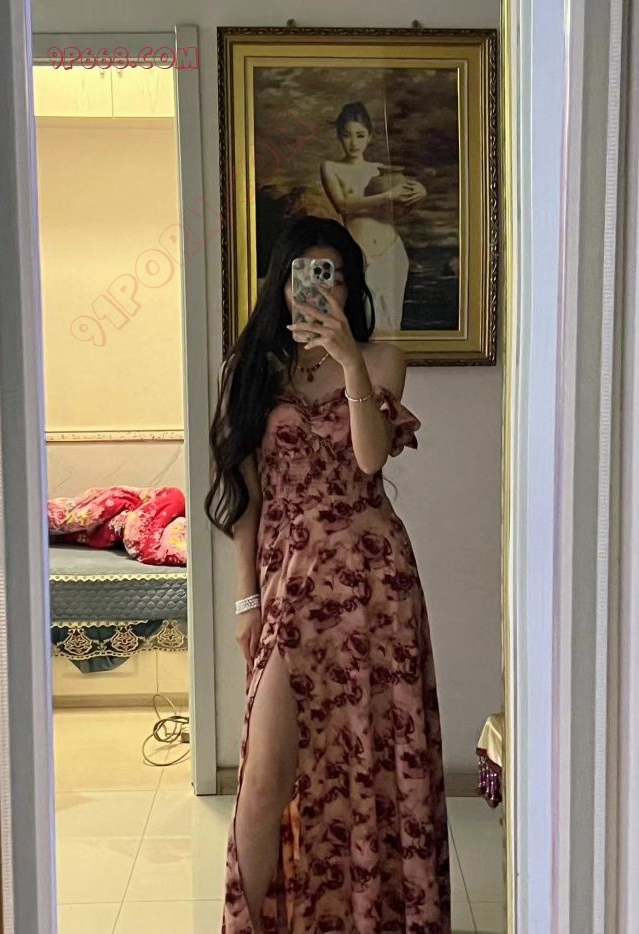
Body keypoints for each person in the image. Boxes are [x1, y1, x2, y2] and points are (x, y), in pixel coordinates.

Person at [205, 215, 450, 933]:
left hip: (373, 587)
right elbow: (244, 496)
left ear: (351, 287)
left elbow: (369, 461)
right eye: (305, 274)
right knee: (262, 781)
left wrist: (348, 364)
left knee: (373, 763)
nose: (319, 287)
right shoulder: (249, 370)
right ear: (281, 285)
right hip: (288, 585)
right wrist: (246, 601)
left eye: (334, 274)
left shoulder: (381, 359)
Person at [320, 101, 426, 333]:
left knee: (390, 323)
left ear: (369, 137)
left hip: (391, 251)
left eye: (360, 135)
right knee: (361, 323)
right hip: (358, 253)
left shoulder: (380, 169)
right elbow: (343, 205)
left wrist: (420, 190)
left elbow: (406, 192)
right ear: (338, 137)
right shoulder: (330, 167)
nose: (354, 142)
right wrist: (387, 195)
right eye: (347, 135)